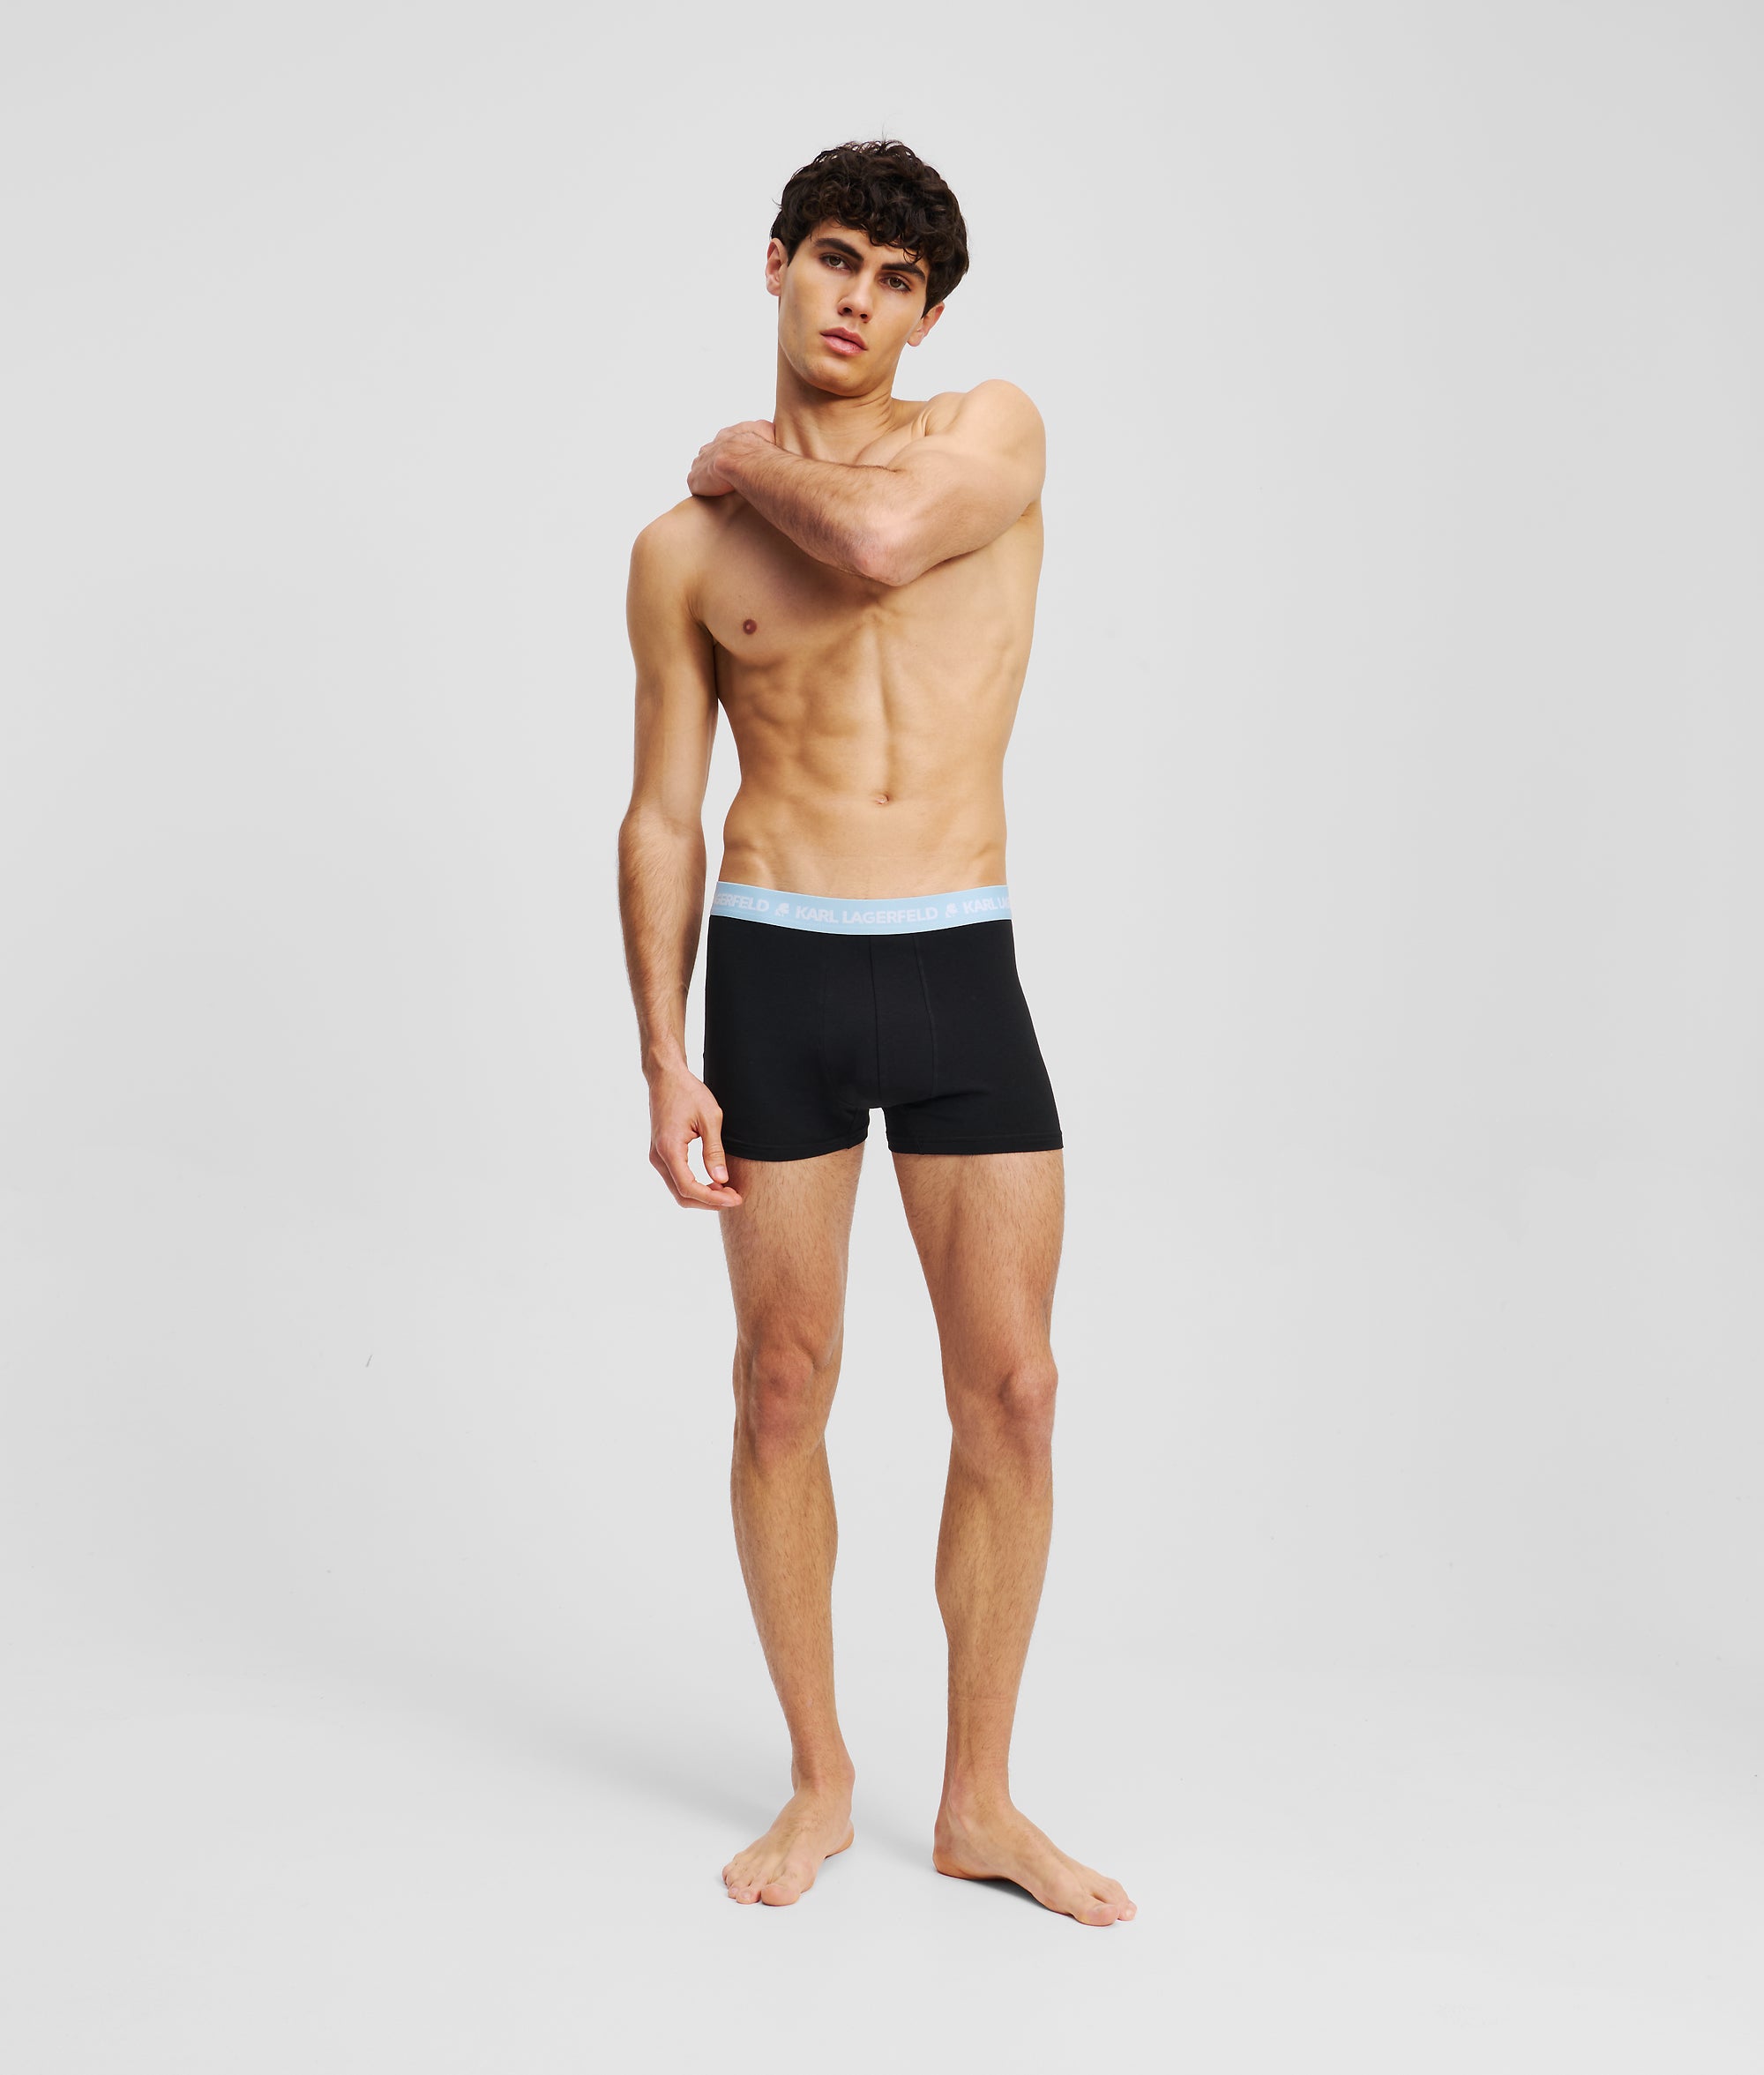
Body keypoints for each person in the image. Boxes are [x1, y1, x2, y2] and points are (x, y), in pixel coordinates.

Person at [617, 139, 1135, 1929]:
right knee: (783, 1381)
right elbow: (662, 814)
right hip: (777, 967)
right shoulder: (682, 554)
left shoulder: (988, 437)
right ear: (775, 262)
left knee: (1017, 1392)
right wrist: (661, 1052)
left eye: (897, 280)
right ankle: (821, 1776)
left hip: (955, 958)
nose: (860, 299)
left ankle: (979, 1800)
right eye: (835, 257)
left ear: (929, 314)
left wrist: (745, 451)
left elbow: (885, 538)